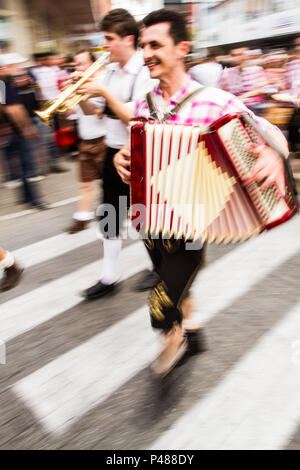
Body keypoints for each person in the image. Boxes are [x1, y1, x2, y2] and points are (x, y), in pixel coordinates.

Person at [114, 9, 289, 375]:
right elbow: (134, 149)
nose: (146, 53)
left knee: (160, 300)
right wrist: (122, 157)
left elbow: (273, 135)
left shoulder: (214, 101)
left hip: (195, 218)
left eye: (155, 45)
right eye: (143, 45)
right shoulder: (145, 103)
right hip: (151, 214)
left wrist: (274, 155)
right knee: (168, 276)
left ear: (181, 49)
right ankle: (190, 333)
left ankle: (170, 332)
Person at [77, 9, 157, 299]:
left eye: (109, 39)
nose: (105, 45)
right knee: (109, 216)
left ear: (128, 39)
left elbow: (136, 118)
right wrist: (80, 96)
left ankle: (157, 265)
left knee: (141, 216)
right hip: (112, 151)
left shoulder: (144, 71)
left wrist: (103, 92)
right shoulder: (110, 71)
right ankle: (109, 278)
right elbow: (99, 114)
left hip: (138, 153)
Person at [64, 49, 107, 233]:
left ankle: (127, 208)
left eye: (82, 63)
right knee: (86, 182)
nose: (78, 68)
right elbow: (71, 114)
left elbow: (94, 112)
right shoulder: (82, 85)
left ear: (92, 63)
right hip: (86, 141)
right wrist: (68, 95)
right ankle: (82, 217)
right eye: (76, 63)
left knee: (112, 182)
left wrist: (79, 95)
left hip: (104, 141)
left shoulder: (100, 84)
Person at [0, 53, 47, 209]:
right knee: (27, 165)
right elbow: (14, 110)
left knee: (16, 166)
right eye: (11, 66)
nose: (15, 68)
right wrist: (26, 128)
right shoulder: (5, 83)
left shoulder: (3, 84)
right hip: (17, 130)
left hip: (8, 130)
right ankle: (34, 200)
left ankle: (25, 197)